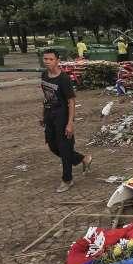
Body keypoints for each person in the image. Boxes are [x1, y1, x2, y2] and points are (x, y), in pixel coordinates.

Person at [40, 49, 92, 192]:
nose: (47, 62)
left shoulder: (63, 79)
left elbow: (71, 101)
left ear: (57, 61)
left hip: (62, 116)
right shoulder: (44, 75)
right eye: (45, 59)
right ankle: (82, 159)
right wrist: (43, 115)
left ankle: (67, 180)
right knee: (52, 146)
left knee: (64, 148)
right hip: (49, 115)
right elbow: (46, 97)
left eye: (50, 59)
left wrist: (70, 123)